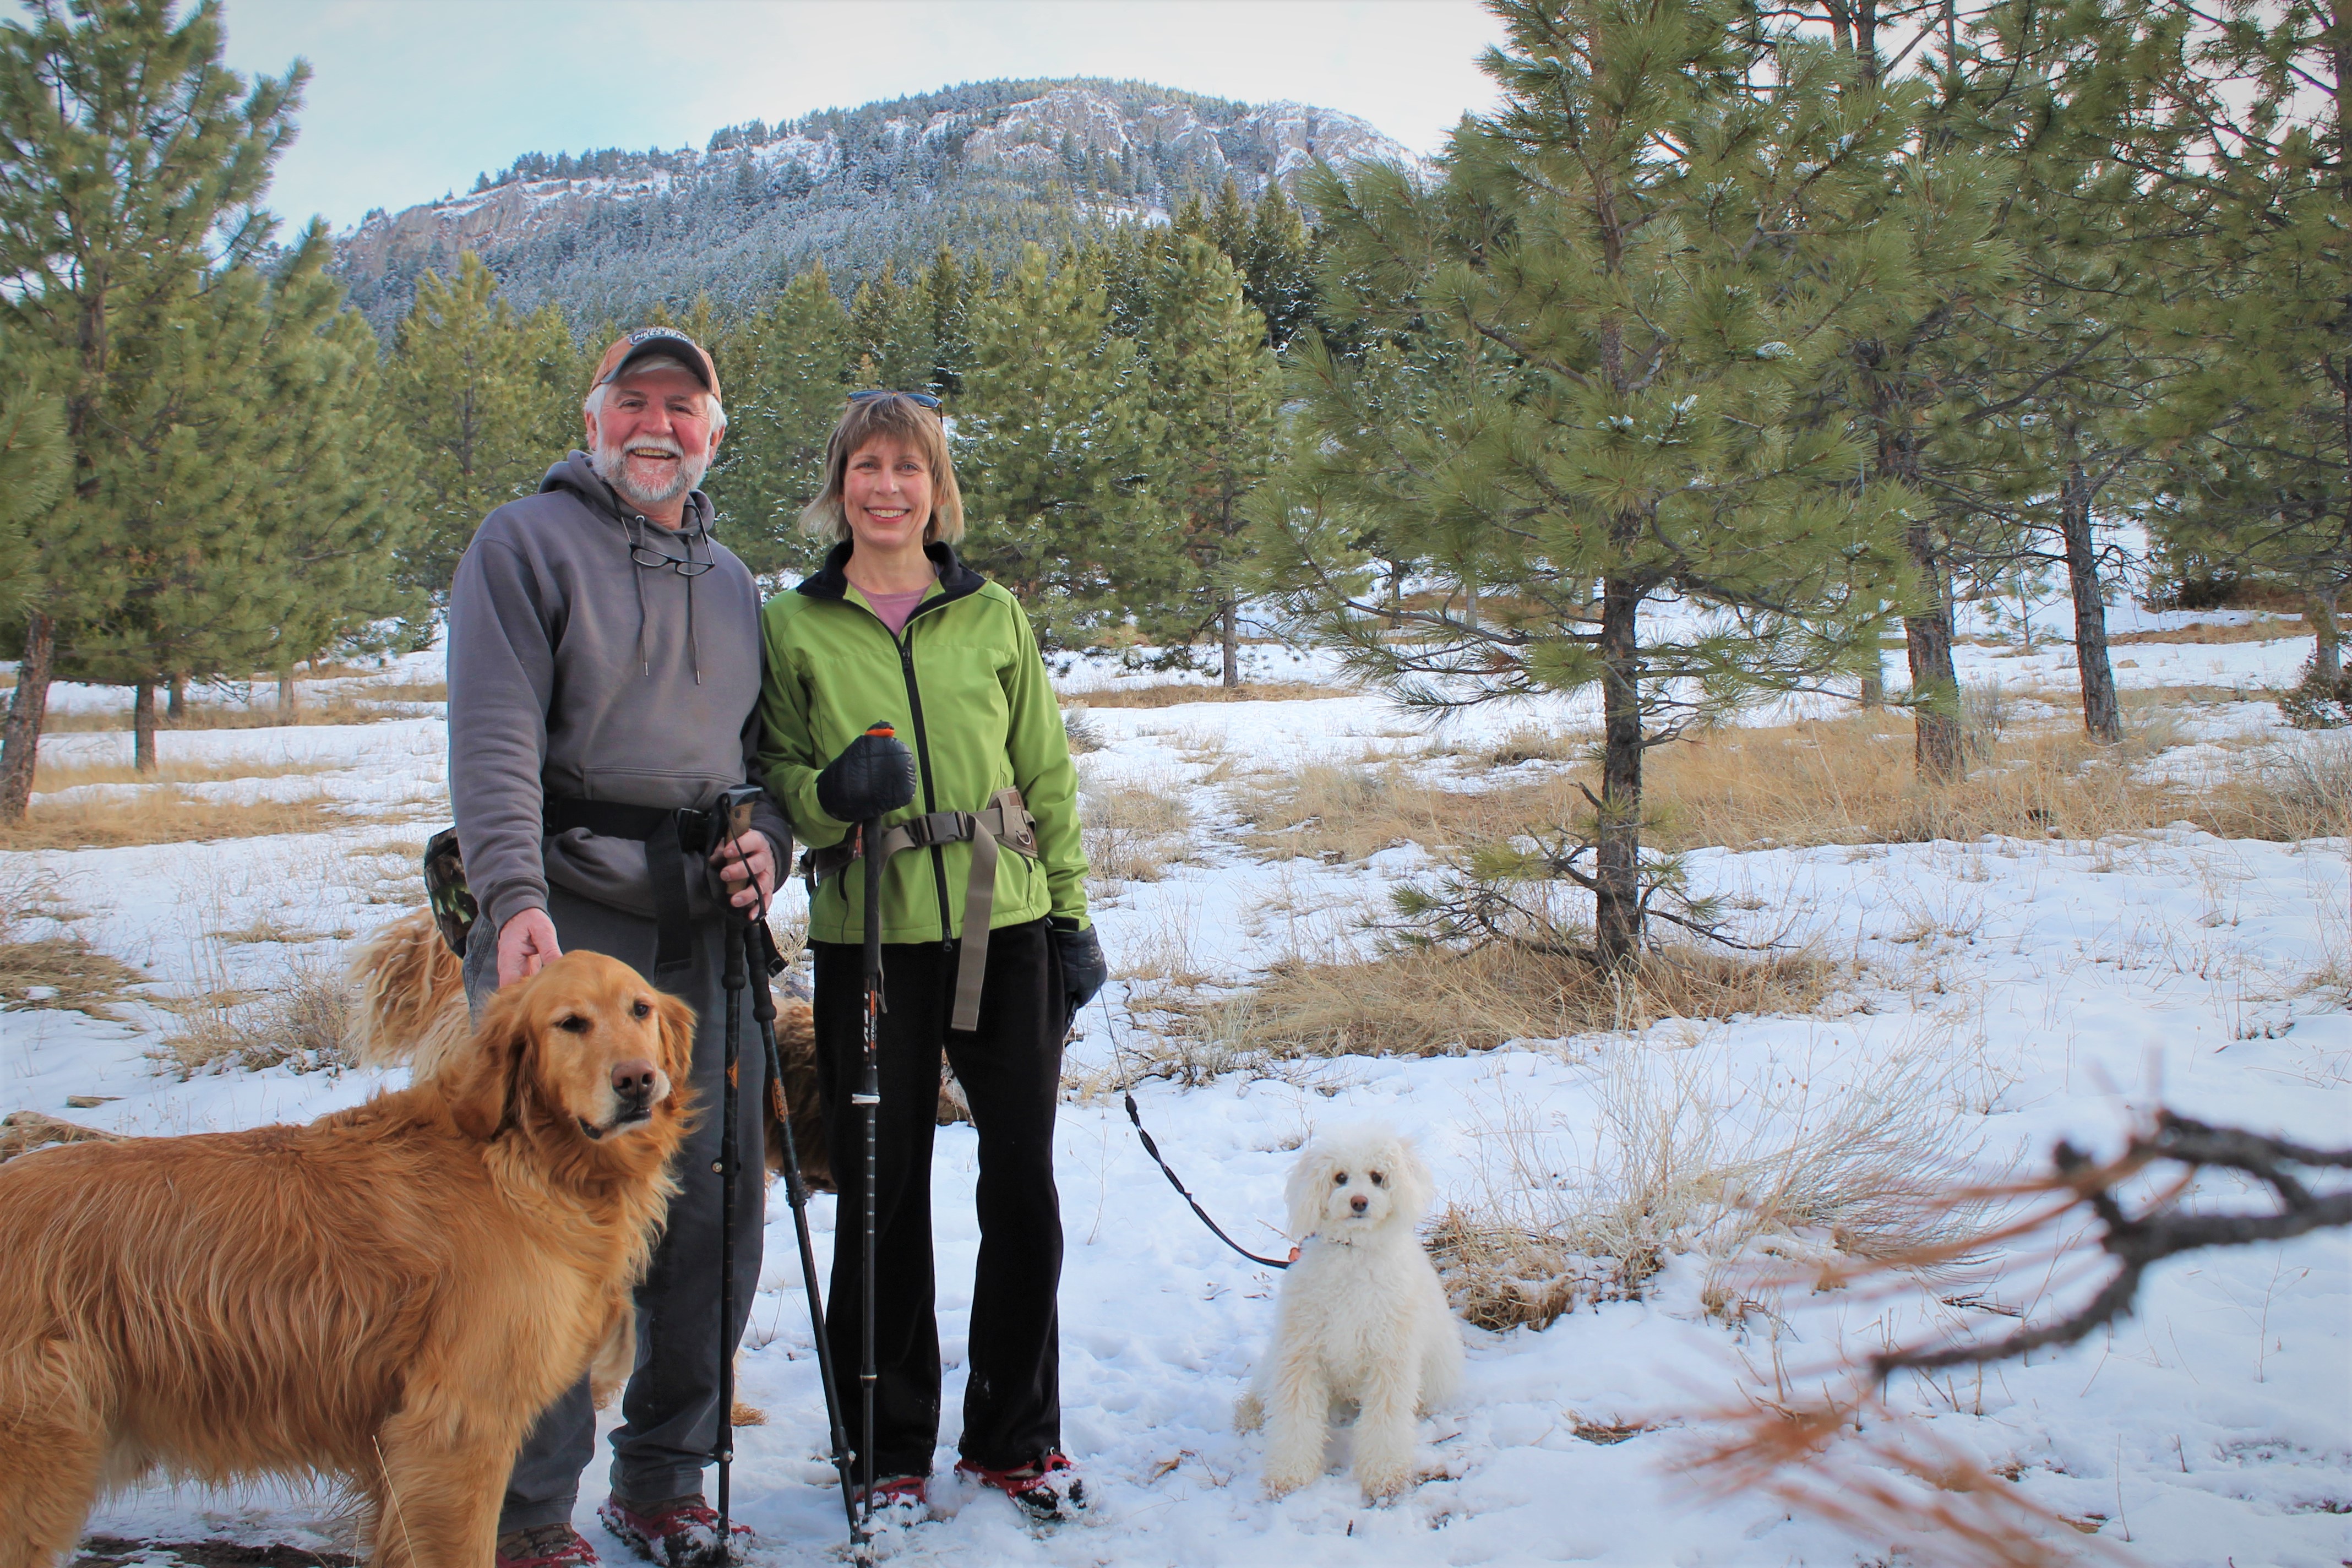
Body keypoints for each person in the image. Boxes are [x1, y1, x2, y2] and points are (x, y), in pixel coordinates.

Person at [448, 328, 790, 1568]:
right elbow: (491, 741)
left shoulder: (736, 579)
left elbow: (758, 776)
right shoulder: (524, 545)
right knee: (542, 1220)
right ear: (592, 422)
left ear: (714, 433)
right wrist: (512, 901)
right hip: (569, 924)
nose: (659, 424)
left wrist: (770, 847)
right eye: (632, 401)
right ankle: (528, 1507)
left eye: (683, 406)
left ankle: (663, 1478)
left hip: (702, 938)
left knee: (712, 1211)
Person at [755, 391, 1106, 1522]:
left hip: (1003, 926)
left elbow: (1045, 771)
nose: (888, 485)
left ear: (936, 485)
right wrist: (826, 799)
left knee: (1023, 1186)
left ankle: (1013, 1434)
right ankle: (884, 1445)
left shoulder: (992, 611)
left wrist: (1071, 914)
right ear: (839, 482)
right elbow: (774, 773)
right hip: (871, 934)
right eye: (867, 463)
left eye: (910, 465)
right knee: (879, 1192)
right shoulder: (795, 621)